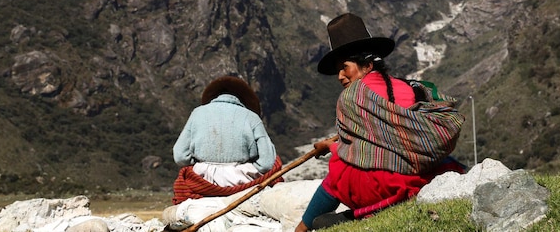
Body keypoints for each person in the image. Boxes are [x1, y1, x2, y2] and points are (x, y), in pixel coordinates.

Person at [295, 13, 466, 231]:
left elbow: (360, 153)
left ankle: (302, 227)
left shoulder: (352, 98)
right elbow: (389, 140)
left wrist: (334, 149)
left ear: (366, 65)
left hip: (387, 185)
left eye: (344, 67)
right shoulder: (408, 87)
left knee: (340, 169)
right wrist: (331, 144)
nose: (340, 76)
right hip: (424, 176)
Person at [171, 75, 283, 204]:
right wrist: (249, 169)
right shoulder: (252, 117)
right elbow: (267, 162)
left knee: (184, 175)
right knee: (276, 164)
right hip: (240, 180)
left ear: (215, 96)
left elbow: (179, 156)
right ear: (243, 99)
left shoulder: (197, 113)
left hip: (202, 179)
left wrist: (199, 163)